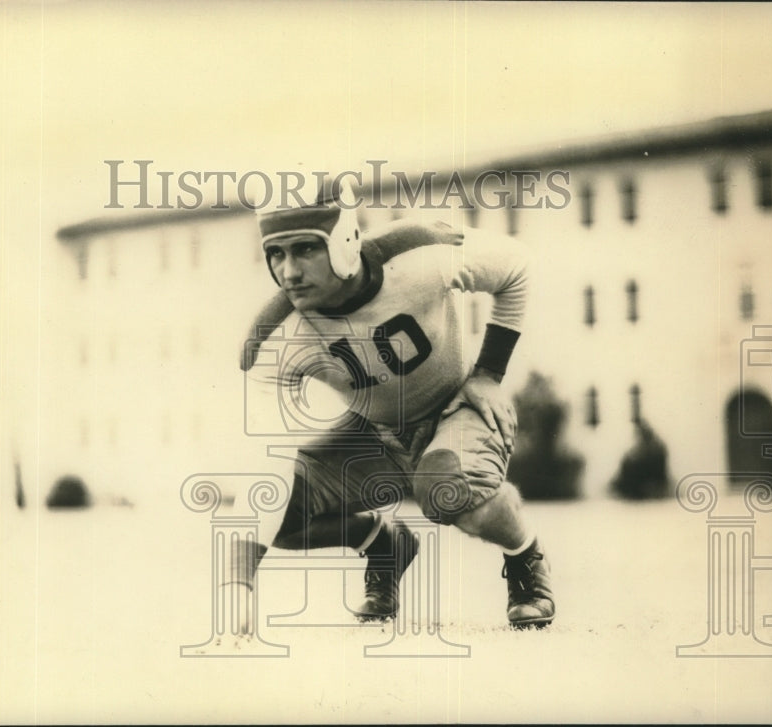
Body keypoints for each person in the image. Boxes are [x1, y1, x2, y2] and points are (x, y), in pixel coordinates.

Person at [225, 177, 555, 632]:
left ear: (342, 240)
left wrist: (489, 374)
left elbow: (515, 267)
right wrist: (237, 588)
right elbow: (268, 469)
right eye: (276, 254)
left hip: (453, 410)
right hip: (373, 430)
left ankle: (526, 557)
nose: (289, 271)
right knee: (282, 513)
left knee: (445, 490)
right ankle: (383, 542)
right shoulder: (275, 336)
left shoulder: (419, 253)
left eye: (304, 249)